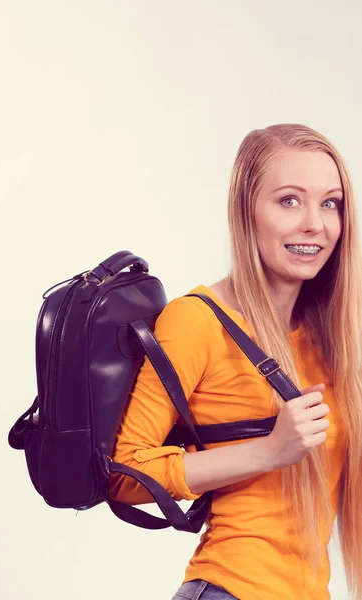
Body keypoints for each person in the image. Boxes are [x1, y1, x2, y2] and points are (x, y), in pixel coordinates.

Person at [108, 123, 362, 600]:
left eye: (330, 203)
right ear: (247, 212)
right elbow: (124, 472)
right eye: (290, 200)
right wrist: (270, 450)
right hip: (231, 588)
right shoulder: (196, 320)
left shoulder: (332, 340)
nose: (316, 223)